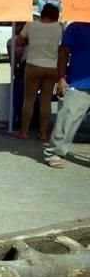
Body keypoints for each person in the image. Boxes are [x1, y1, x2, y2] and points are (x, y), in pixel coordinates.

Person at [43, 21, 90, 169]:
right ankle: (54, 152)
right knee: (68, 118)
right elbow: (63, 52)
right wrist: (61, 78)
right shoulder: (76, 27)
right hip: (79, 82)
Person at [15, 4, 63, 141]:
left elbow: (19, 42)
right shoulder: (59, 27)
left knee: (28, 99)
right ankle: (43, 134)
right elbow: (63, 46)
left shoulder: (31, 25)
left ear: (42, 13)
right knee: (46, 101)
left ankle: (24, 132)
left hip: (33, 65)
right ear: (55, 15)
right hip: (52, 67)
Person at [8, 22, 29, 132]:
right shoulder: (30, 39)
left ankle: (17, 119)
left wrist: (15, 72)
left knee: (18, 96)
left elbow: (13, 60)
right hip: (40, 67)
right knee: (34, 97)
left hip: (23, 68)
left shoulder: (11, 42)